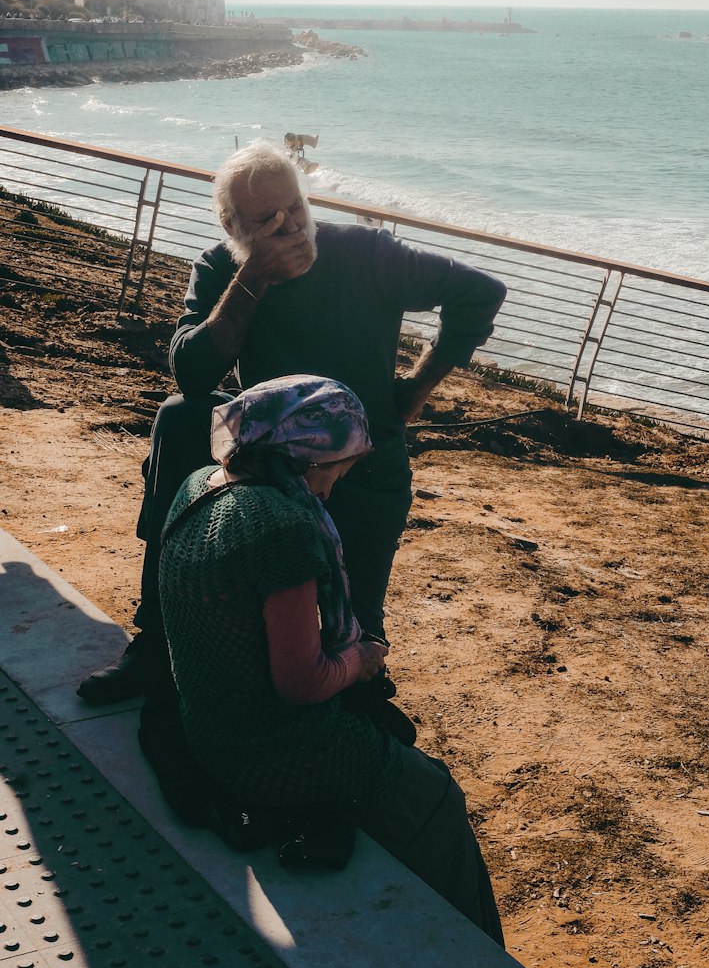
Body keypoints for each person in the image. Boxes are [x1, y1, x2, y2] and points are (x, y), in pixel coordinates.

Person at [79, 140, 506, 704]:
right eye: (265, 220)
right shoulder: (222, 267)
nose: (288, 228)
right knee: (181, 418)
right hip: (263, 458)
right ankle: (158, 639)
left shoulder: (365, 252)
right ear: (232, 226)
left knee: (353, 645)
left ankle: (357, 666)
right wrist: (254, 277)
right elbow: (192, 371)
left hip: (360, 457)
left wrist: (413, 391)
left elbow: (480, 292)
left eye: (295, 210)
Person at [159, 374, 503, 943]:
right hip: (265, 749)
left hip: (206, 722)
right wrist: (363, 659)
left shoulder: (202, 484)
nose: (336, 483)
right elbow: (303, 681)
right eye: (338, 466)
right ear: (306, 458)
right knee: (437, 799)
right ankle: (485, 962)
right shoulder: (282, 525)